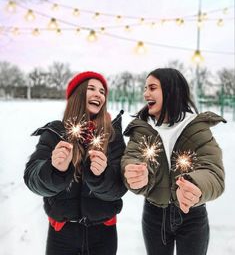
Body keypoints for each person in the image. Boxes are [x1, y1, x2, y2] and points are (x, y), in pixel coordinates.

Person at [121, 68, 226, 255]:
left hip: (192, 215)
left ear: (171, 90)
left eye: (152, 87)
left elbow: (212, 170)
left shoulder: (197, 128)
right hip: (154, 216)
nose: (146, 93)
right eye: (145, 88)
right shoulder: (141, 128)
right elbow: (132, 157)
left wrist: (196, 185)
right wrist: (135, 173)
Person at [24, 71, 127, 255]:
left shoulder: (112, 136)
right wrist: (54, 170)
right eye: (91, 89)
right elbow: (32, 178)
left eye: (102, 91)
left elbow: (119, 188)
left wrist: (101, 177)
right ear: (77, 95)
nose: (99, 94)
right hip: (62, 235)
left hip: (103, 234)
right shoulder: (55, 132)